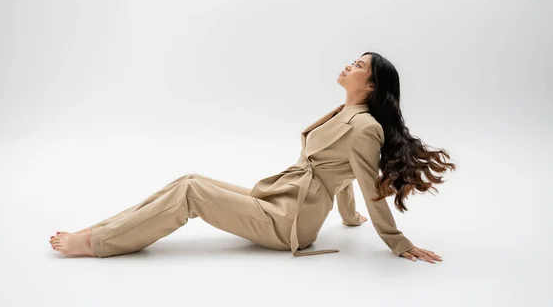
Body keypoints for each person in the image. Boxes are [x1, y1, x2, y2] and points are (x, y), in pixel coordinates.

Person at [49, 52, 454, 264]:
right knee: (189, 178)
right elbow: (341, 173)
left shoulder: (365, 126)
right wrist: (348, 220)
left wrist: (398, 243)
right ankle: (104, 229)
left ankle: (96, 243)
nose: (349, 64)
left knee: (191, 192)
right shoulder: (344, 113)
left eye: (359, 65)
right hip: (280, 198)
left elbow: (368, 184)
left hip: (290, 222)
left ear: (370, 85)